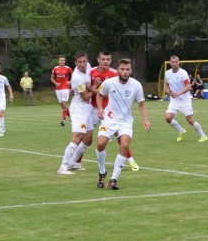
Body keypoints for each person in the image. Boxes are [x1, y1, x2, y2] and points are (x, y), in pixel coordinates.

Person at [95, 58, 151, 190]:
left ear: (131, 70)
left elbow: (141, 105)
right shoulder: (109, 83)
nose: (125, 72)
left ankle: (114, 179)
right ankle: (102, 171)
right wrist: (100, 108)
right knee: (100, 144)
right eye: (122, 69)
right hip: (109, 119)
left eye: (127, 69)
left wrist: (146, 120)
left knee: (124, 145)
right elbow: (99, 94)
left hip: (125, 121)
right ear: (118, 70)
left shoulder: (136, 85)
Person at [89, 50, 139, 171]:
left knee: (120, 135)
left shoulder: (115, 74)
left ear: (111, 61)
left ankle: (130, 159)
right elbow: (88, 89)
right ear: (98, 60)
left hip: (109, 110)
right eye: (103, 59)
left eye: (108, 59)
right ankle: (75, 161)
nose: (105, 62)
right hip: (91, 108)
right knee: (85, 135)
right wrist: (93, 88)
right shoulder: (90, 72)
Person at [57, 51, 94, 174]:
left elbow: (89, 80)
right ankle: (63, 166)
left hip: (87, 109)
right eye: (79, 62)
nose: (83, 64)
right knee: (77, 137)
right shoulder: (77, 78)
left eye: (84, 61)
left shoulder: (88, 67)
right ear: (75, 63)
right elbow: (86, 97)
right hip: (79, 109)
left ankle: (73, 162)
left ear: (87, 60)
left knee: (88, 138)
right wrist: (96, 87)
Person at [164, 55, 208, 143]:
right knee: (168, 118)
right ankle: (181, 130)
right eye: (172, 62)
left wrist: (179, 93)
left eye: (176, 62)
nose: (174, 64)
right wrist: (167, 91)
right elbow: (166, 83)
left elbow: (189, 86)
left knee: (190, 119)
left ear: (179, 63)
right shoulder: (167, 73)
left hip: (185, 99)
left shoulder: (183, 73)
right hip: (174, 100)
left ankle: (203, 136)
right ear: (170, 63)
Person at [50, 55, 72, 126]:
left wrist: (70, 82)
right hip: (58, 89)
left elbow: (75, 76)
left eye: (63, 60)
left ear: (64, 61)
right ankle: (72, 118)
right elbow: (52, 78)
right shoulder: (55, 69)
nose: (62, 61)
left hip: (65, 88)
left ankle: (63, 120)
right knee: (63, 106)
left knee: (64, 104)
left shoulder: (68, 68)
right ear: (58, 61)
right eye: (60, 60)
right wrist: (56, 83)